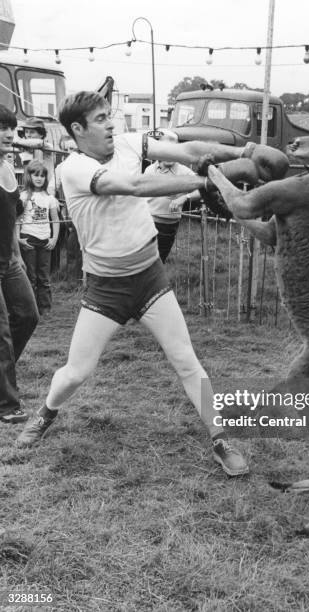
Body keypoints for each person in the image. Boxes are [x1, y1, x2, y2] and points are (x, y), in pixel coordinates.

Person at [16, 90, 256, 476]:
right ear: (77, 129)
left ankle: (220, 437)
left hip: (149, 278)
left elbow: (189, 148)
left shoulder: (129, 143)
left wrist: (245, 152)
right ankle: (46, 413)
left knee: (186, 360)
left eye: (109, 115)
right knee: (76, 372)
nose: (110, 124)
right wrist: (208, 182)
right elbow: (135, 187)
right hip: (106, 289)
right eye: (99, 119)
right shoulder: (72, 169)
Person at [0, 104, 39, 424]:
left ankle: (3, 372)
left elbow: (10, 219)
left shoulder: (8, 165)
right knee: (1, 333)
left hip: (9, 260)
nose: (8, 133)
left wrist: (16, 257)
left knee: (27, 315)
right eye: (1, 127)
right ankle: (7, 406)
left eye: (11, 127)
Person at [146, 130, 201, 263]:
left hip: (167, 228)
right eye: (167, 151)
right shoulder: (149, 170)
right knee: (142, 264)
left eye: (174, 151)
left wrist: (185, 198)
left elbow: (203, 188)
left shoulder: (184, 172)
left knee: (157, 263)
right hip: (146, 223)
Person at [17, 160, 60, 316]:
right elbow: (18, 220)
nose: (39, 178)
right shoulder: (23, 197)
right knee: (31, 276)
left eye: (42, 176)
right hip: (28, 238)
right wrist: (19, 239)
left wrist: (54, 239)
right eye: (36, 175)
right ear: (29, 176)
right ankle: (31, 309)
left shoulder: (50, 198)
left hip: (45, 240)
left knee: (44, 276)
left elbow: (55, 220)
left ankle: (45, 308)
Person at [15, 117, 56, 195]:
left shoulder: (47, 146)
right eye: (26, 132)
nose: (28, 135)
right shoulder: (25, 148)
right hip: (31, 188)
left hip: (46, 188)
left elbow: (38, 143)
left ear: (41, 134)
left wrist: (17, 142)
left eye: (32, 132)